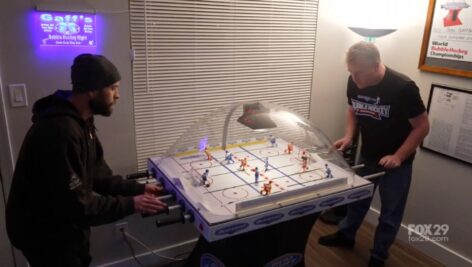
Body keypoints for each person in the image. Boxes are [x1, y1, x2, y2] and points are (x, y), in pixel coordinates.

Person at [6, 54, 168, 267]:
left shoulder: (82, 121)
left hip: (63, 221)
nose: (118, 95)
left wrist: (140, 189)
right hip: (42, 232)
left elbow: (99, 175)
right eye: (113, 88)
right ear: (92, 90)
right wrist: (131, 204)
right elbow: (77, 205)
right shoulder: (59, 132)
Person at [318, 42, 429, 267]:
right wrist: (349, 136)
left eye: (359, 73)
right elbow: (353, 108)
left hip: (398, 163)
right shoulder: (355, 79)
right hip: (368, 154)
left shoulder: (403, 88)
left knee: (390, 214)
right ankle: (346, 236)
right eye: (351, 73)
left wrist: (398, 156)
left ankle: (378, 256)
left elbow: (422, 126)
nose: (355, 79)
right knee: (357, 201)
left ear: (376, 65)